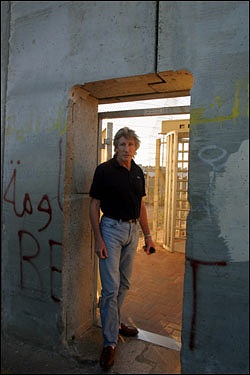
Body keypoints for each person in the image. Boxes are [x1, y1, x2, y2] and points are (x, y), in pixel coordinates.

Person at [89, 126, 155, 370]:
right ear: (115, 147)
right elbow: (94, 205)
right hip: (110, 229)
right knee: (110, 288)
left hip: (132, 231)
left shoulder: (138, 172)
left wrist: (148, 235)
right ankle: (109, 342)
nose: (126, 149)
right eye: (122, 145)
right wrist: (98, 239)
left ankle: (114, 323)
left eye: (130, 145)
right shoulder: (104, 170)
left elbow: (141, 206)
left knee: (124, 284)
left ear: (135, 147)